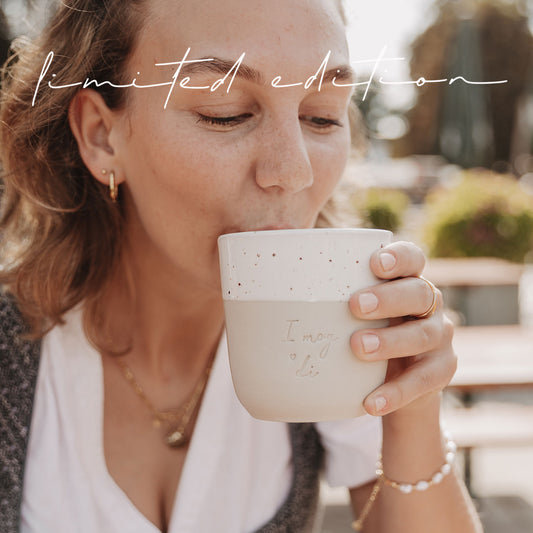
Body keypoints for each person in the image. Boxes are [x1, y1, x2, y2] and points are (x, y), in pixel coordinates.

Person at [0, 0, 483, 532]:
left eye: (322, 116)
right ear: (100, 134)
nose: (293, 171)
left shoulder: (335, 331)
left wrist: (411, 414)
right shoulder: (18, 361)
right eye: (224, 112)